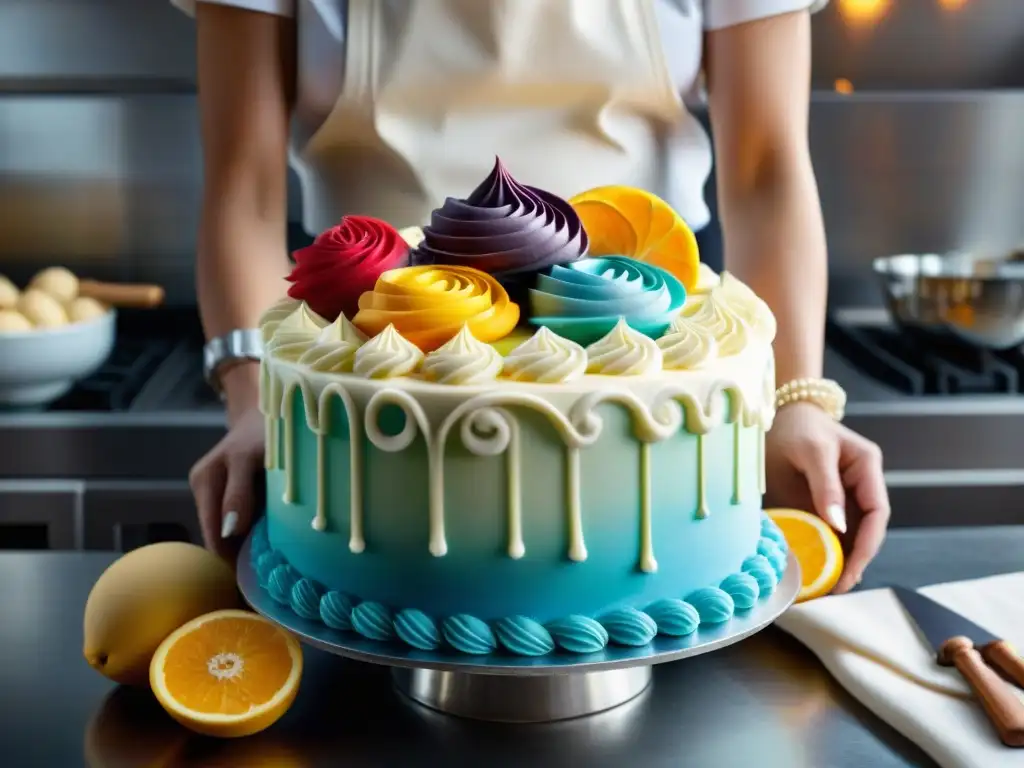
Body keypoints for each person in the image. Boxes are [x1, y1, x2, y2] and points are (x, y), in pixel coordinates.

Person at [177, 0, 889, 593]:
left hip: (646, 337)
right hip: (374, 339)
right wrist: (256, 396)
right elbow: (245, 189)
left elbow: (766, 171)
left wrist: (796, 400)